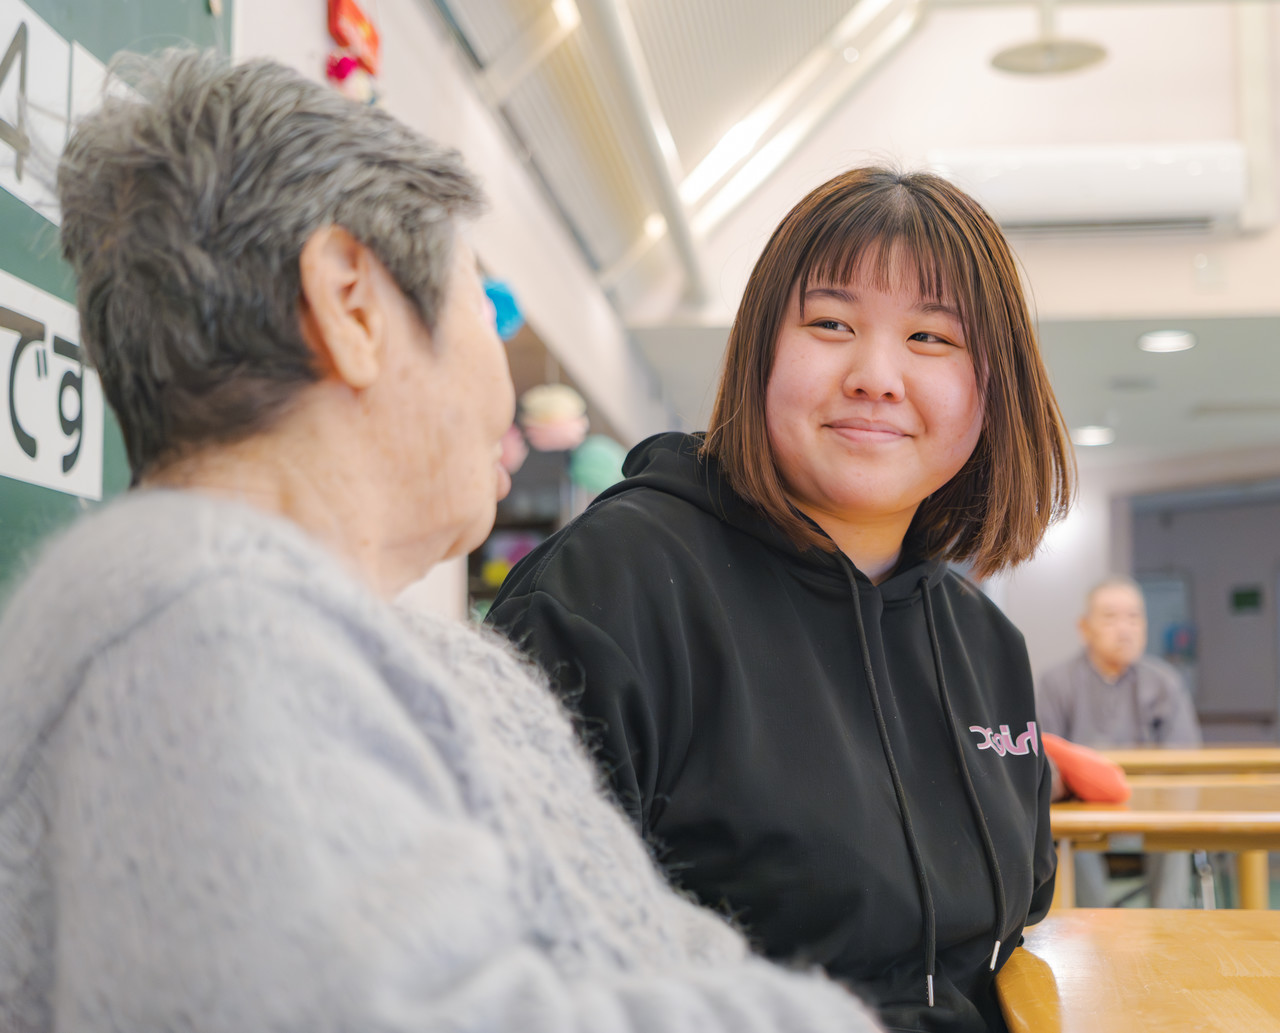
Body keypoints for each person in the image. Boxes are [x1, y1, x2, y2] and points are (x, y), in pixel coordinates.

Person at [0, 50, 888, 1033]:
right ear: (350, 305)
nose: (501, 374)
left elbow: (647, 946)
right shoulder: (199, 633)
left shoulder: (357, 645)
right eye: (482, 302)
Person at [488, 167, 1074, 1033]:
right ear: (761, 349)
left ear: (995, 389)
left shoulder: (984, 643)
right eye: (831, 324)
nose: (876, 376)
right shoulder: (611, 590)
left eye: (931, 337)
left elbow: (1006, 940)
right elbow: (512, 967)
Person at [1036, 576, 1202, 908]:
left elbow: (1185, 758)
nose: (1124, 629)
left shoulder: (1164, 682)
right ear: (1085, 628)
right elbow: (1044, 759)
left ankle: (1167, 930)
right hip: (1082, 807)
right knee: (1064, 833)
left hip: (1152, 805)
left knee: (1174, 830)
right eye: (1110, 618)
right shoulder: (1056, 683)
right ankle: (1096, 930)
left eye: (1134, 617)